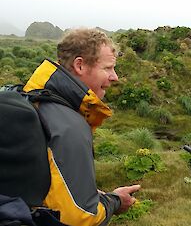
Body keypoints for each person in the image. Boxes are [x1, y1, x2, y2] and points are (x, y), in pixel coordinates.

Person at [23, 28, 141, 226]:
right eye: (108, 68)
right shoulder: (68, 126)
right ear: (80, 65)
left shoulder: (30, 100)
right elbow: (79, 217)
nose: (115, 77)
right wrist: (115, 201)